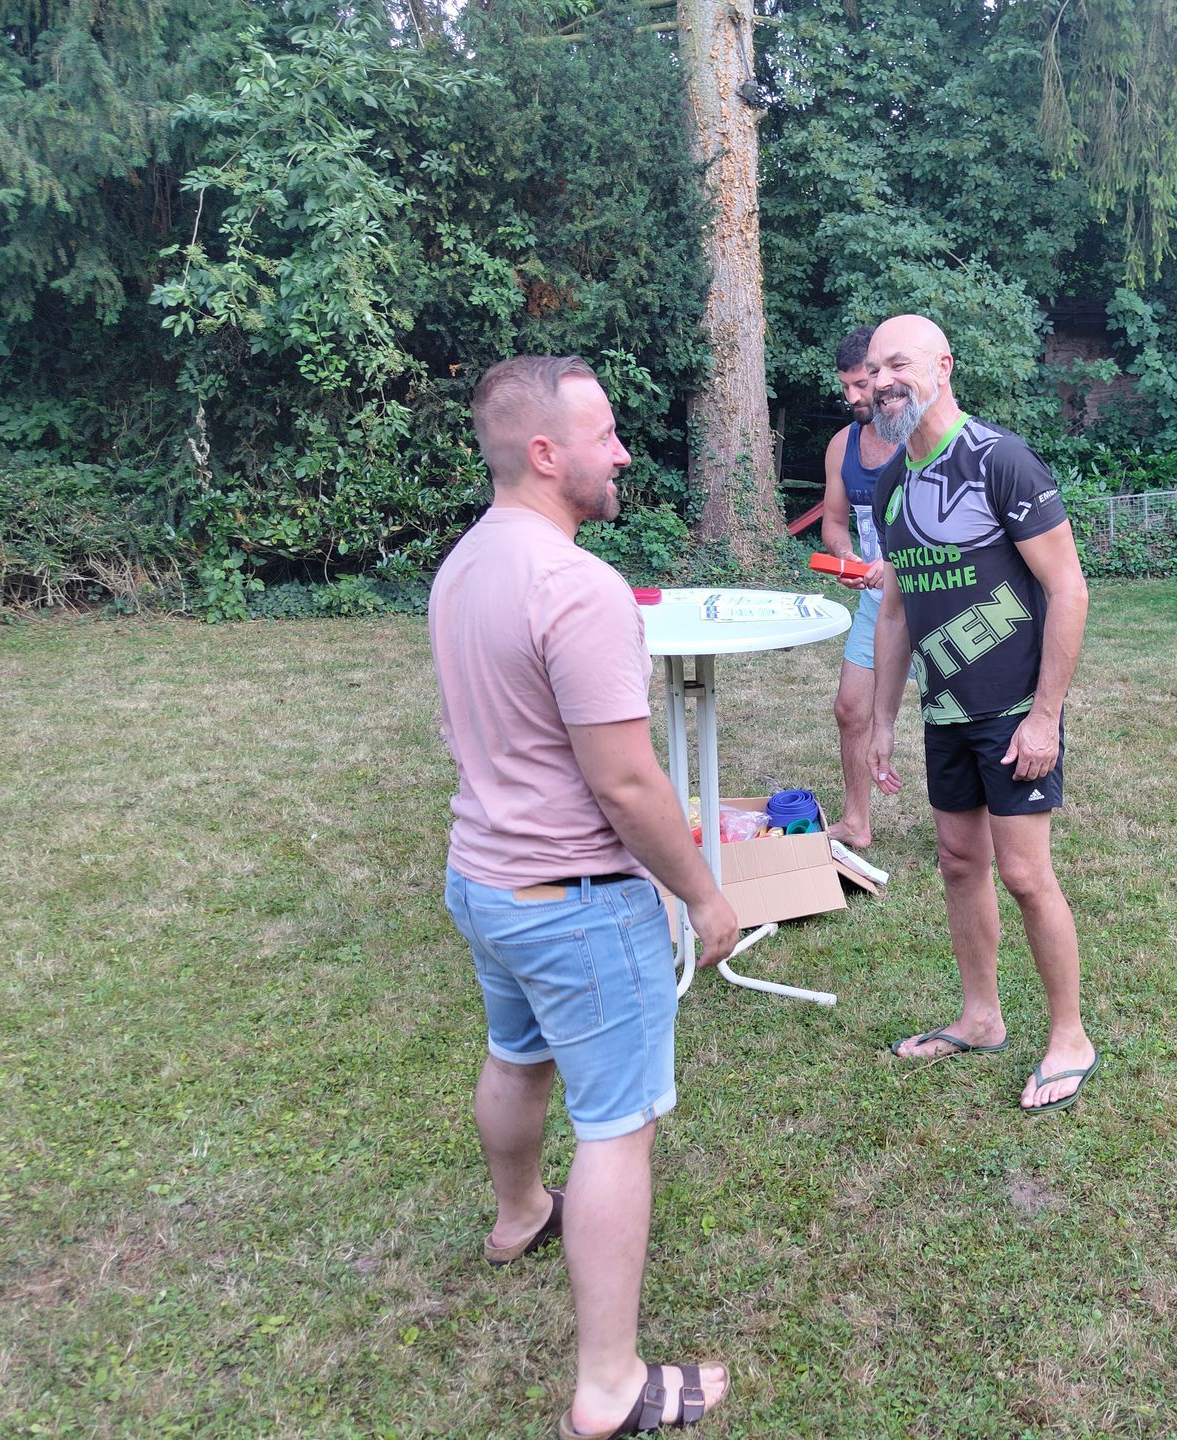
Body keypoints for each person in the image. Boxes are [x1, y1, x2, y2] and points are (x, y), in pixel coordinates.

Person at [429, 355, 738, 1439]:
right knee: (617, 1126)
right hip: (576, 901)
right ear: (545, 453)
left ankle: (520, 1215)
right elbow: (626, 783)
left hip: (485, 881)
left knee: (516, 1054)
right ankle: (609, 1387)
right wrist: (703, 895)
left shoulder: (466, 562)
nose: (623, 453)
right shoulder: (577, 585)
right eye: (604, 435)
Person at [864, 313, 1099, 1114]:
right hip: (946, 710)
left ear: (943, 366)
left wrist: (1045, 717)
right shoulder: (892, 484)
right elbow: (896, 610)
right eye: (873, 369)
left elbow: (1068, 589)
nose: (882, 381)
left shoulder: (1000, 460)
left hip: (1013, 709)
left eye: (899, 363)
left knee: (1025, 873)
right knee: (959, 863)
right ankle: (980, 1018)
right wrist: (881, 721)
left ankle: (1070, 1037)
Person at [819, 323, 905, 848]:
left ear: (881, 376)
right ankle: (856, 822)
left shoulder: (920, 439)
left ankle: (978, 834)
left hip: (934, 600)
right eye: (845, 386)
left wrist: (893, 564)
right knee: (851, 709)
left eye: (860, 384)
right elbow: (833, 522)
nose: (852, 397)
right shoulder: (841, 446)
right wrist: (846, 554)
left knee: (958, 719)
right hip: (876, 603)